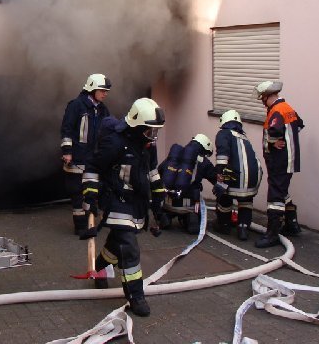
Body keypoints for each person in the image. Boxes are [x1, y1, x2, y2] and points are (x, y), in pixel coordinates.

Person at [81, 97, 166, 317]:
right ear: (136, 126)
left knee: (116, 243)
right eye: (150, 131)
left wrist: (159, 198)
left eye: (156, 131)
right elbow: (92, 167)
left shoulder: (148, 146)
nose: (153, 136)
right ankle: (136, 296)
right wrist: (90, 197)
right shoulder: (115, 143)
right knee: (129, 248)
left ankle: (100, 267)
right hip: (116, 200)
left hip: (137, 203)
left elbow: (152, 171)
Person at [253, 81, 305, 248]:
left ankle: (272, 234)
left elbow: (274, 131)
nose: (262, 102)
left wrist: (274, 142)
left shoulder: (276, 111)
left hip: (280, 161)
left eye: (262, 98)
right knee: (281, 191)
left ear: (267, 96)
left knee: (275, 197)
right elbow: (299, 124)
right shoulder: (287, 108)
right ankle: (292, 223)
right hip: (287, 160)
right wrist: (287, 138)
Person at [60, 73, 112, 235]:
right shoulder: (76, 106)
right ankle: (80, 226)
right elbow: (67, 129)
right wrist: (67, 152)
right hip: (77, 157)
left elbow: (108, 131)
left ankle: (89, 221)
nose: (105, 94)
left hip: (93, 158)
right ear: (92, 89)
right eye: (102, 90)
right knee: (77, 193)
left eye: (106, 91)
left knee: (91, 191)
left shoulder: (102, 109)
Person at [212, 110, 262, 241]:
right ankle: (243, 229)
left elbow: (222, 155)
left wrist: (220, 173)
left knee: (224, 197)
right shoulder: (244, 138)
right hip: (253, 177)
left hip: (234, 176)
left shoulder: (224, 133)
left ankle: (224, 225)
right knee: (246, 201)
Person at [158, 134, 216, 234]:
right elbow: (215, 178)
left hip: (168, 203)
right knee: (193, 225)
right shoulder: (204, 162)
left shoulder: (176, 155)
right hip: (189, 206)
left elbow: (160, 170)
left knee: (167, 210)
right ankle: (190, 219)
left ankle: (166, 216)